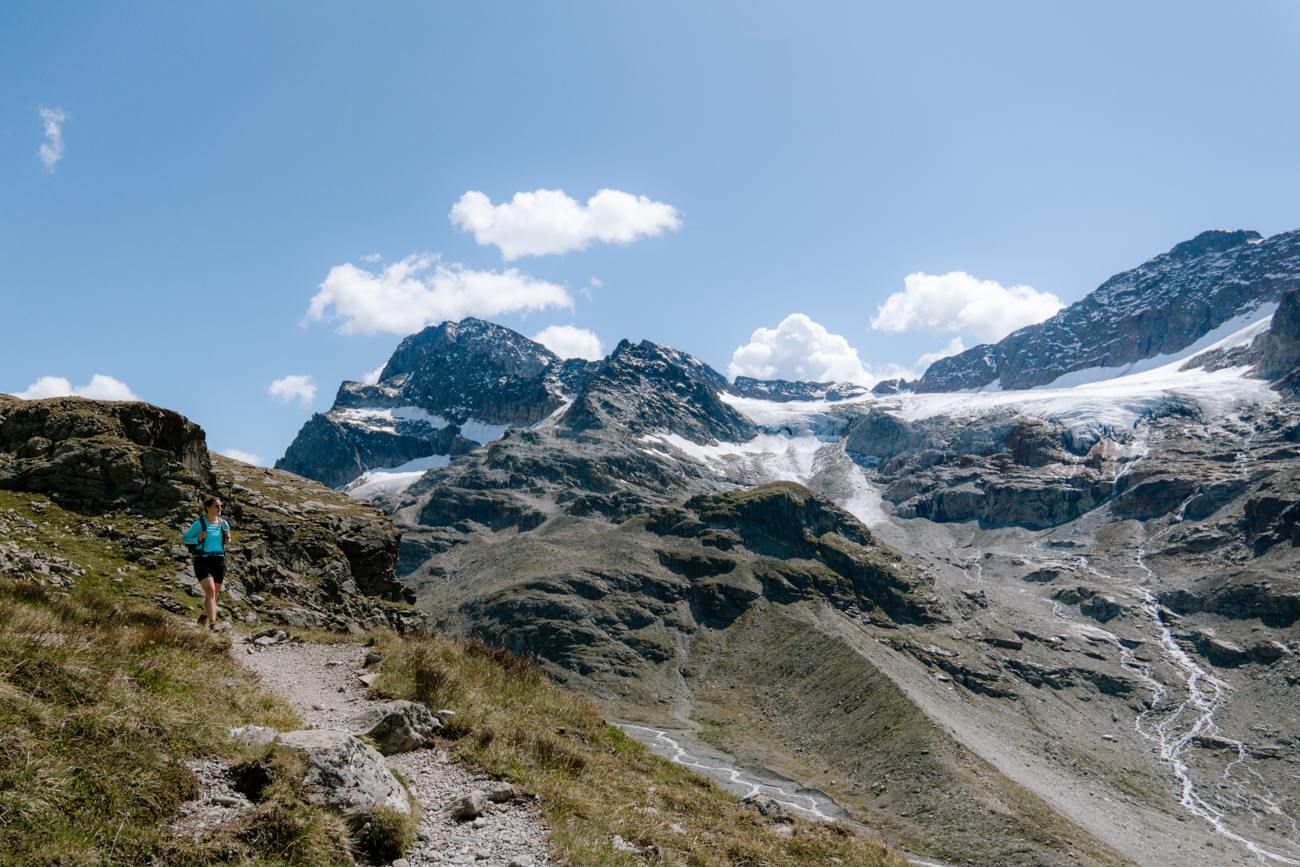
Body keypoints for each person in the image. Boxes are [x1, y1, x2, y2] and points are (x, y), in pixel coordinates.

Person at [181, 495, 231, 629]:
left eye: (221, 506)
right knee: (210, 591)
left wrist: (227, 539)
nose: (220, 508)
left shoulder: (223, 523)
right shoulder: (199, 524)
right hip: (202, 559)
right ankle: (213, 625)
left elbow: (227, 540)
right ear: (208, 508)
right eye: (217, 506)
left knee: (214, 594)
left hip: (219, 559)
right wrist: (197, 539)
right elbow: (185, 538)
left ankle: (203, 616)